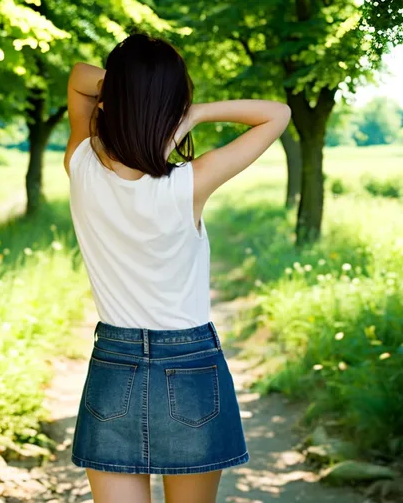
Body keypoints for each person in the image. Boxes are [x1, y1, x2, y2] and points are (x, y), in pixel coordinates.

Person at [63, 32, 291, 503]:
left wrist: (127, 85)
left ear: (113, 98)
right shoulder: (191, 182)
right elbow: (277, 113)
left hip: (114, 366)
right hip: (191, 368)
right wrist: (194, 111)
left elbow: (79, 78)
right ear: (173, 105)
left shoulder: (81, 162)